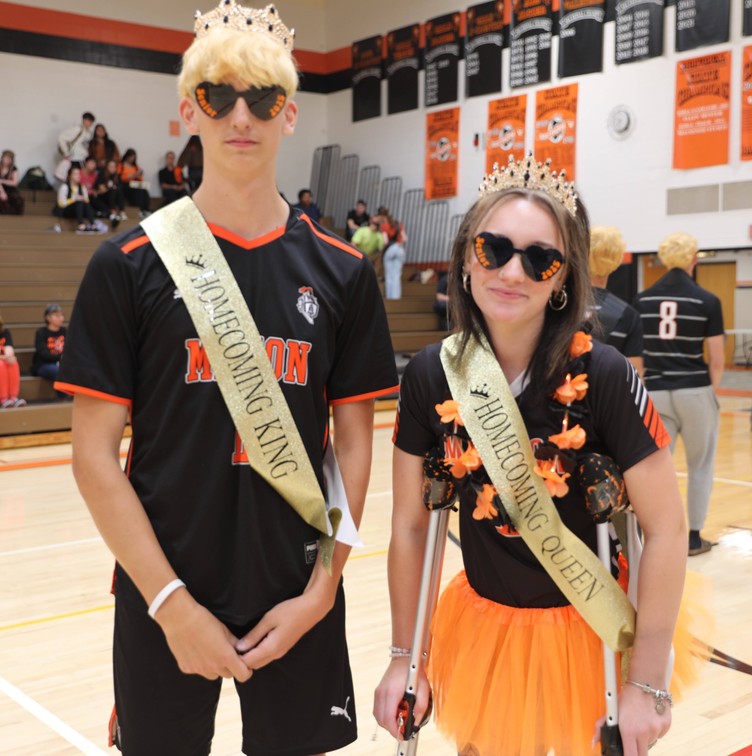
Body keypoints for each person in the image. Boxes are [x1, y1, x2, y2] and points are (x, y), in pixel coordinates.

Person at [56, 3, 398, 755]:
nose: (241, 115)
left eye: (263, 98)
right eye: (219, 95)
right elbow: (92, 458)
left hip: (297, 591)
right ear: (189, 108)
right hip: (163, 591)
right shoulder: (127, 266)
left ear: (291, 116)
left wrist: (323, 590)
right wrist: (172, 604)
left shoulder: (342, 272)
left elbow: (354, 452)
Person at [374, 155, 688, 755]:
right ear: (467, 258)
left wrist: (646, 681)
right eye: (494, 249)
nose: (513, 272)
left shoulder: (604, 374)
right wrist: (402, 659)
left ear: (562, 277)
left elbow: (667, 528)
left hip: (588, 634)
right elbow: (413, 527)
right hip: (486, 623)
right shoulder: (430, 375)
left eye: (539, 258)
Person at [633, 232, 724, 557]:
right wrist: (707, 392)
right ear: (693, 260)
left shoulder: (641, 301)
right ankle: (694, 538)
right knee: (701, 465)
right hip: (695, 390)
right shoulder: (707, 301)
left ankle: (654, 537)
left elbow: (638, 358)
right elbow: (717, 358)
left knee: (657, 469)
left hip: (655, 392)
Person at [588, 225, 644, 377]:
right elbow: (634, 373)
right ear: (617, 260)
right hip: (607, 396)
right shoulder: (627, 314)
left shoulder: (559, 304)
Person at [31, 304, 66, 395]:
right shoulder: (41, 332)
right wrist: (61, 358)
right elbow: (43, 353)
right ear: (48, 318)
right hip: (44, 364)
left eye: (61, 315)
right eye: (56, 316)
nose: (60, 318)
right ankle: (63, 398)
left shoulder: (65, 331)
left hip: (63, 363)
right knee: (58, 371)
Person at [56, 165, 96, 232]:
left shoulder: (82, 187)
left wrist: (83, 199)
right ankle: (81, 225)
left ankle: (93, 224)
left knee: (85, 203)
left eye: (79, 174)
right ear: (69, 176)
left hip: (79, 210)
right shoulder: (64, 187)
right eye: (75, 174)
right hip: (66, 210)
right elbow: (61, 204)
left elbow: (87, 201)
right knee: (79, 202)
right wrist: (74, 199)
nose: (78, 176)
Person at [379, 206, 407, 299]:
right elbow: (405, 238)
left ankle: (390, 297)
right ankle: (396, 297)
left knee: (389, 275)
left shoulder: (384, 226)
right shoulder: (399, 225)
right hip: (399, 248)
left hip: (390, 250)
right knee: (397, 275)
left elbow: (385, 241)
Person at [0, 313, 26, 408]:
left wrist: (9, 356)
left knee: (13, 362)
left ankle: (13, 397)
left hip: (3, 359)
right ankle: (3, 398)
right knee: (1, 365)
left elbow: (9, 347)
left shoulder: (4, 331)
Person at [119, 148, 152, 218]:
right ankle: (139, 210)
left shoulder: (136, 166)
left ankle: (145, 210)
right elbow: (121, 178)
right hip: (126, 186)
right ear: (127, 156)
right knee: (139, 192)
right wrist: (132, 176)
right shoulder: (121, 165)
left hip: (135, 184)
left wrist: (139, 174)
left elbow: (140, 178)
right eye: (130, 157)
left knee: (144, 191)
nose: (132, 159)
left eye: (133, 158)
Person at [95, 159, 127, 227]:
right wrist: (110, 188)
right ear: (107, 167)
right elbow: (101, 188)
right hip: (103, 197)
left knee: (118, 191)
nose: (112, 168)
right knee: (113, 190)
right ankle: (113, 211)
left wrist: (112, 187)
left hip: (114, 197)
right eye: (110, 166)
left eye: (114, 166)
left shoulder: (117, 176)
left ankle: (122, 211)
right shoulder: (102, 174)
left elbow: (120, 188)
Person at [0, 150, 25, 215]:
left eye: (9, 159)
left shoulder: (14, 169)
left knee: (19, 200)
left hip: (10, 190)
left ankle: (17, 219)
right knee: (3, 201)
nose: (7, 160)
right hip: (1, 189)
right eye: (6, 158)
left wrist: (2, 181)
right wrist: (2, 192)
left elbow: (15, 183)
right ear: (2, 158)